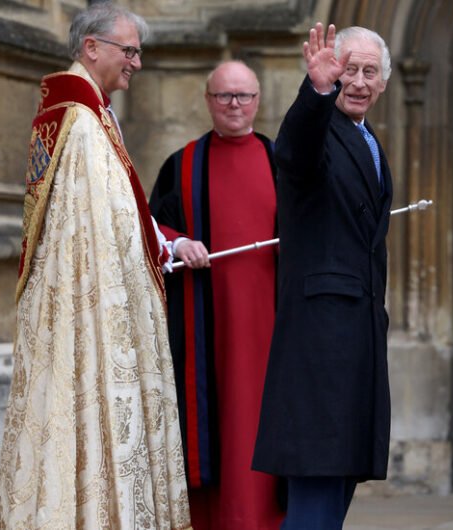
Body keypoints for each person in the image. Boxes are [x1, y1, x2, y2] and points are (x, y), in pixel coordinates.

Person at [0, 3, 191, 529]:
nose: (137, 63)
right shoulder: (80, 123)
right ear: (91, 47)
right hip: (91, 314)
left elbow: (119, 217)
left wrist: (164, 248)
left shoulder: (89, 114)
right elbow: (94, 239)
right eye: (129, 51)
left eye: (139, 52)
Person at [251, 22, 394, 530]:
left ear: (383, 84)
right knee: (316, 486)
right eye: (347, 70)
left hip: (357, 335)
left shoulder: (366, 137)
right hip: (320, 337)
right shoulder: (319, 128)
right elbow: (293, 150)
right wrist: (316, 90)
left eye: (368, 72)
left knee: (338, 483)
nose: (356, 81)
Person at [148, 60, 284, 530]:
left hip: (272, 326)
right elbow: (149, 229)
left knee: (263, 422)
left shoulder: (281, 161)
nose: (234, 105)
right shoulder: (182, 166)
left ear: (258, 101)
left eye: (244, 96)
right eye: (224, 96)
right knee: (217, 425)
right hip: (205, 327)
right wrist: (179, 241)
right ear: (207, 100)